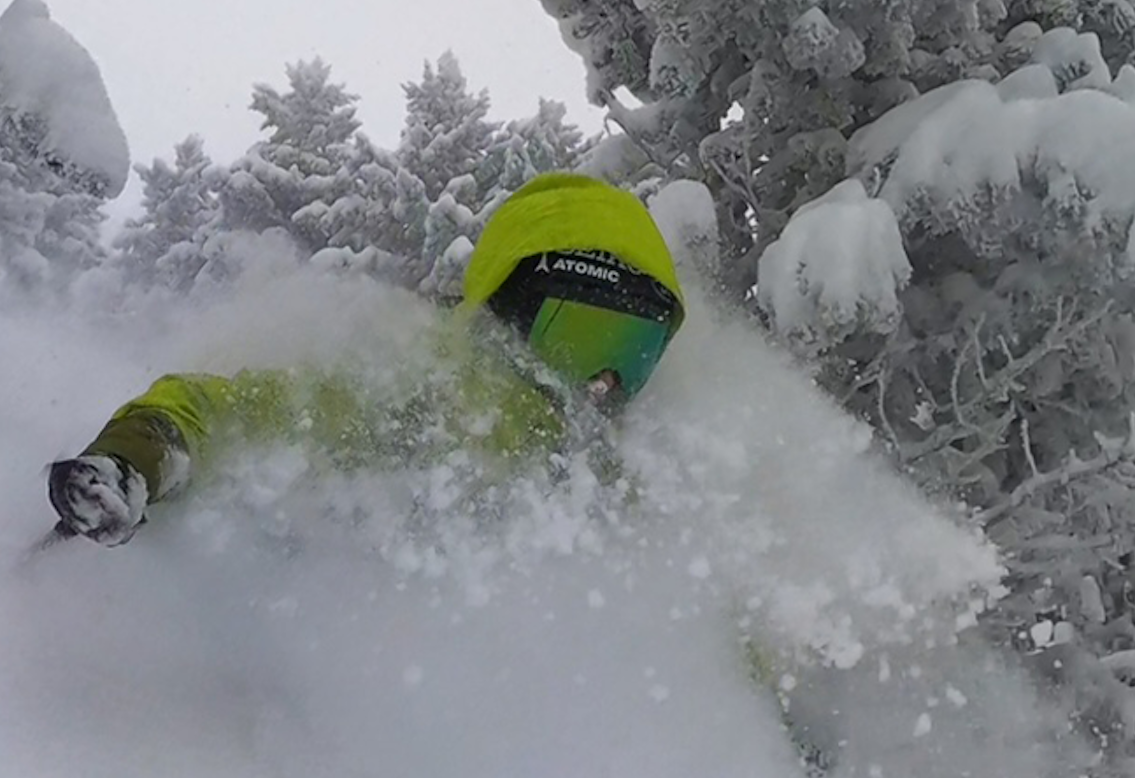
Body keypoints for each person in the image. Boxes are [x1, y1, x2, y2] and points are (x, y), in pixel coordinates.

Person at [47, 173, 687, 546]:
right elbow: (235, 410)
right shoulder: (419, 392)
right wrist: (138, 457)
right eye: (583, 335)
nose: (606, 378)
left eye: (635, 350)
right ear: (511, 310)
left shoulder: (631, 469)